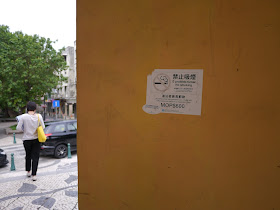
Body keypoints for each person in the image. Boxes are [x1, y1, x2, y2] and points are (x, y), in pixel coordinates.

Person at [16, 101, 45, 181]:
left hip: (26, 139)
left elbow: (18, 128)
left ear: (27, 108)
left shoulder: (23, 117)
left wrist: (25, 130)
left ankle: (28, 171)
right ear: (35, 108)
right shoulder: (39, 116)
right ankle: (34, 175)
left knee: (28, 155)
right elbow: (43, 127)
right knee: (35, 157)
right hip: (36, 139)